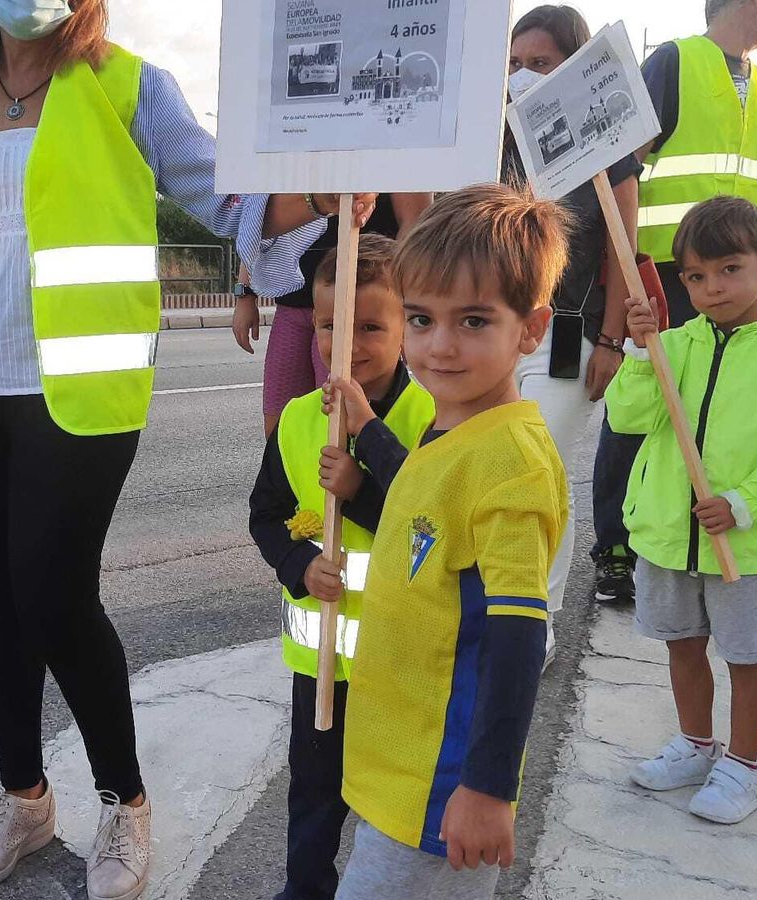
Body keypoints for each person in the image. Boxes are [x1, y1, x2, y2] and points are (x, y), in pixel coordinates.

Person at [0, 2, 372, 896]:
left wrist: (324, 194)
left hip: (82, 395)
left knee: (56, 598)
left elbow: (231, 200)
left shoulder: (129, 83)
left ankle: (125, 804)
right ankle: (24, 797)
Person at [326, 184, 570, 899]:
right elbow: (425, 499)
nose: (439, 345)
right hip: (402, 766)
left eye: (472, 320)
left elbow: (518, 633)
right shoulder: (457, 428)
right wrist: (370, 429)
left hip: (443, 784)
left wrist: (488, 786)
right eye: (422, 319)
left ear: (530, 328)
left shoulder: (510, 460)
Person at [611, 197, 757, 824]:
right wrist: (638, 351)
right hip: (666, 534)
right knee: (682, 646)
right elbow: (628, 418)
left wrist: (744, 503)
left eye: (730, 270)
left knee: (744, 655)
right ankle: (695, 742)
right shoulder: (674, 344)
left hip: (746, 539)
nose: (714, 288)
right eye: (697, 276)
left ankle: (744, 764)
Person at [589, 0, 757, 606]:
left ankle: (692, 530)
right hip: (674, 280)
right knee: (642, 410)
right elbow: (621, 163)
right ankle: (617, 546)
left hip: (745, 286)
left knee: (725, 415)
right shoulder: (675, 61)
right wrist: (627, 279)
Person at [247, 235, 433, 900]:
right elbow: (265, 516)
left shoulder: (429, 418)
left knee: (394, 801)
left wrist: (363, 492)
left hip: (403, 666)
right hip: (323, 662)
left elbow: (433, 538)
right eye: (332, 325)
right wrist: (298, 564)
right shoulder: (299, 420)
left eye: (371, 326)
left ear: (408, 328)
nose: (348, 343)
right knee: (315, 795)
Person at [503, 4, 642, 655]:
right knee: (496, 472)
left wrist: (612, 339)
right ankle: (493, 603)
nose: (524, 77)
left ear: (573, 69)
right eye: (515, 63)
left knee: (538, 471)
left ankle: (540, 618)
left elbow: (623, 248)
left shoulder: (607, 146)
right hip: (496, 331)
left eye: (540, 64)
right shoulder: (494, 139)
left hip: (569, 332)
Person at [234, 195, 431, 436]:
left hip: (362, 302)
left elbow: (414, 221)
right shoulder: (289, 156)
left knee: (343, 416)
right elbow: (259, 213)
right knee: (279, 423)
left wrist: (401, 306)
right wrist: (244, 291)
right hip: (292, 300)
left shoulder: (396, 157)